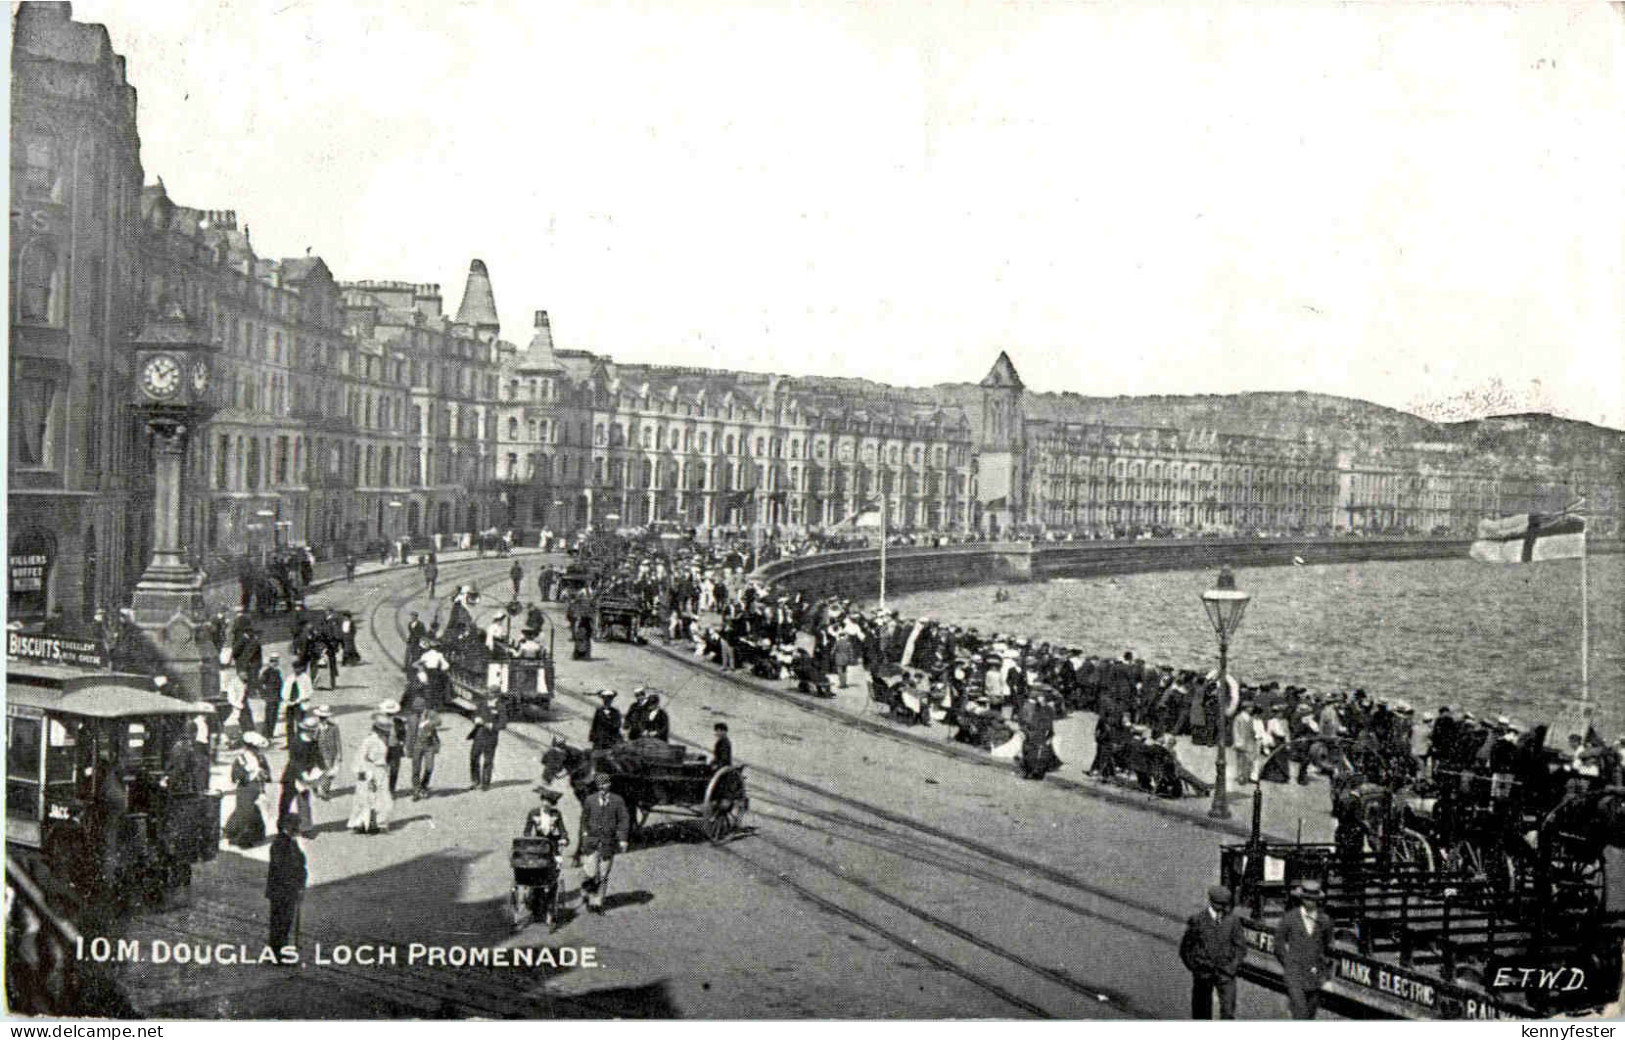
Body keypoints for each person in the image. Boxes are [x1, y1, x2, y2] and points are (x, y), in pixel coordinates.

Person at [1180, 884, 1246, 1019]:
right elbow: (1186, 948)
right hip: (1204, 973)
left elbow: (1240, 947)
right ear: (1212, 902)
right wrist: (1195, 968)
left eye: (1225, 904)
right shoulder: (1198, 920)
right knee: (1202, 1013)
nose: (1224, 908)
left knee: (1228, 1012)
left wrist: (1232, 966)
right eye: (1220, 904)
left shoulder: (1233, 921)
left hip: (1226, 973)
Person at [1273, 879, 1334, 1019]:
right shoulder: (1290, 918)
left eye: (1313, 899)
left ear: (1318, 901)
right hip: (1295, 975)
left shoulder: (1324, 921)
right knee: (1300, 1014)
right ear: (1301, 899)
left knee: (1310, 1015)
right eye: (1306, 899)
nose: (1309, 902)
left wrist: (1327, 976)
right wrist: (1288, 964)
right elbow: (1278, 945)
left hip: (1315, 976)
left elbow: (1328, 948)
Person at [573, 774, 630, 914]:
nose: (603, 788)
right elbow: (584, 819)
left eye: (605, 784)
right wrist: (585, 833)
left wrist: (623, 839)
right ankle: (586, 891)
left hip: (608, 843)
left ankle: (597, 903)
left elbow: (623, 820)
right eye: (600, 785)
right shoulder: (590, 800)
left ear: (609, 785)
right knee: (590, 872)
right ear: (596, 787)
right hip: (591, 843)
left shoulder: (617, 800)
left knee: (604, 874)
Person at [266, 814, 307, 951]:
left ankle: (281, 950)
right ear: (286, 826)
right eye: (294, 826)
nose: (297, 829)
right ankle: (277, 953)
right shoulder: (279, 843)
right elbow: (282, 869)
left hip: (288, 891)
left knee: (286, 923)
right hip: (280, 891)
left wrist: (300, 884)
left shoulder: (290, 842)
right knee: (279, 924)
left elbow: (301, 863)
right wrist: (296, 884)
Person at [224, 732, 273, 848]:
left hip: (258, 788)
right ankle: (240, 837)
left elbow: (267, 772)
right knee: (244, 813)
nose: (256, 751)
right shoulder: (240, 759)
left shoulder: (261, 758)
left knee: (250, 811)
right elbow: (235, 777)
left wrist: (264, 774)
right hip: (245, 788)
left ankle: (234, 831)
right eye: (253, 748)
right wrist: (248, 773)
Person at [348, 713, 394, 835]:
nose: (386, 733)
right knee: (366, 798)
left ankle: (379, 823)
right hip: (369, 770)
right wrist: (364, 772)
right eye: (384, 730)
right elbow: (360, 757)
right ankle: (362, 824)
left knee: (383, 798)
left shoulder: (384, 740)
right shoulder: (369, 740)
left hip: (381, 771)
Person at [469, 690, 504, 790]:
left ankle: (485, 783)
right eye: (488, 693)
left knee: (488, 760)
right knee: (474, 757)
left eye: (492, 693)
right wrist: (475, 719)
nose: (489, 695)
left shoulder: (500, 707)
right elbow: (474, 714)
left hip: (491, 736)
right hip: (479, 735)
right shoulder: (482, 704)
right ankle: (475, 780)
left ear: (497, 695)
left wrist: (492, 725)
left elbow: (503, 723)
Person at [313, 706, 342, 800]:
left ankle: (325, 791)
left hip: (330, 753)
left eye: (324, 717)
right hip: (317, 753)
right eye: (320, 717)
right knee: (317, 772)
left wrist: (340, 754)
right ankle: (316, 788)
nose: (322, 719)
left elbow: (338, 741)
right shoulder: (315, 727)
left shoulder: (334, 727)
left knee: (328, 772)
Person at [412, 708, 442, 800]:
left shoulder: (431, 713)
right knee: (416, 769)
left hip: (429, 745)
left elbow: (439, 721)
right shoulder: (413, 716)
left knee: (429, 767)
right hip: (417, 744)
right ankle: (416, 789)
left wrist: (428, 723)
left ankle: (424, 786)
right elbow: (409, 731)